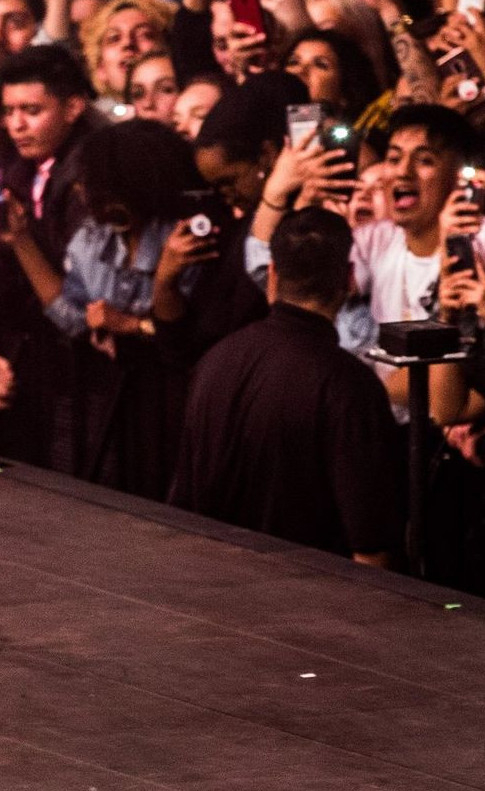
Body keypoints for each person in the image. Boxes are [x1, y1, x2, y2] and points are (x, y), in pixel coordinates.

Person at [170, 205, 404, 566]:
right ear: (347, 278)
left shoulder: (215, 362)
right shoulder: (349, 386)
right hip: (304, 596)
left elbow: (181, 509)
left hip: (207, 581)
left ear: (273, 275)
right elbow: (371, 547)